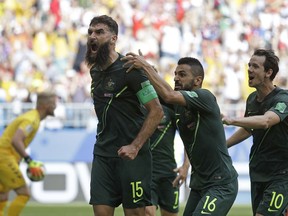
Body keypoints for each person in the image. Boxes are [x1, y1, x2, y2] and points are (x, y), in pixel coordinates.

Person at [121, 52, 238, 215]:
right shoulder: (178, 106)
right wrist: (145, 73)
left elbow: (168, 95)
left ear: (198, 80)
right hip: (199, 184)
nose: (176, 78)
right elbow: (156, 96)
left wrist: (147, 68)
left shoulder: (205, 97)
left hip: (221, 184)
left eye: (182, 75)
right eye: (175, 74)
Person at [85, 15, 163, 216]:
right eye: (90, 32)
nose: (93, 36)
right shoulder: (94, 71)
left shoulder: (130, 68)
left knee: (136, 213)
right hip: (103, 153)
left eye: (99, 32)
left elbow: (157, 110)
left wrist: (135, 146)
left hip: (132, 155)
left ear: (113, 38)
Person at [222, 48, 288, 216]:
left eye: (255, 66)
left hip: (281, 174)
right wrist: (222, 145)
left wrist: (231, 119)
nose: (249, 69)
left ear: (268, 72)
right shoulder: (252, 99)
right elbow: (248, 128)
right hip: (258, 172)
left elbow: (266, 121)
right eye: (249, 65)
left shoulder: (283, 99)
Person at [0, 91, 57, 216]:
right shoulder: (31, 119)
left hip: (6, 157)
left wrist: (18, 159)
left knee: (2, 195)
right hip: (4, 157)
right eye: (53, 103)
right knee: (24, 193)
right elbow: (16, 140)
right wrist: (28, 160)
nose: (56, 107)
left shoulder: (33, 118)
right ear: (45, 105)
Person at [144, 102, 190, 216]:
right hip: (147, 173)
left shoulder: (169, 110)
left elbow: (188, 138)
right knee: (148, 212)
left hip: (169, 173)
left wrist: (185, 166)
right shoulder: (140, 109)